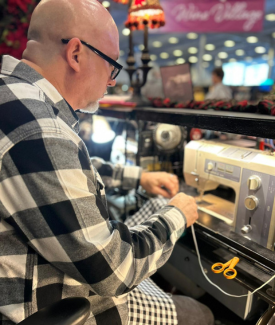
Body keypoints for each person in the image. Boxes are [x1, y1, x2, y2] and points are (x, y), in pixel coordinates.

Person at [0, 1, 214, 324]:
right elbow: (113, 269)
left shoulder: (16, 96)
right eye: (111, 65)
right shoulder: (40, 129)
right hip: (55, 303)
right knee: (201, 314)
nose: (112, 81)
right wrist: (177, 217)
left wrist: (137, 177)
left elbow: (58, 169)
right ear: (76, 54)